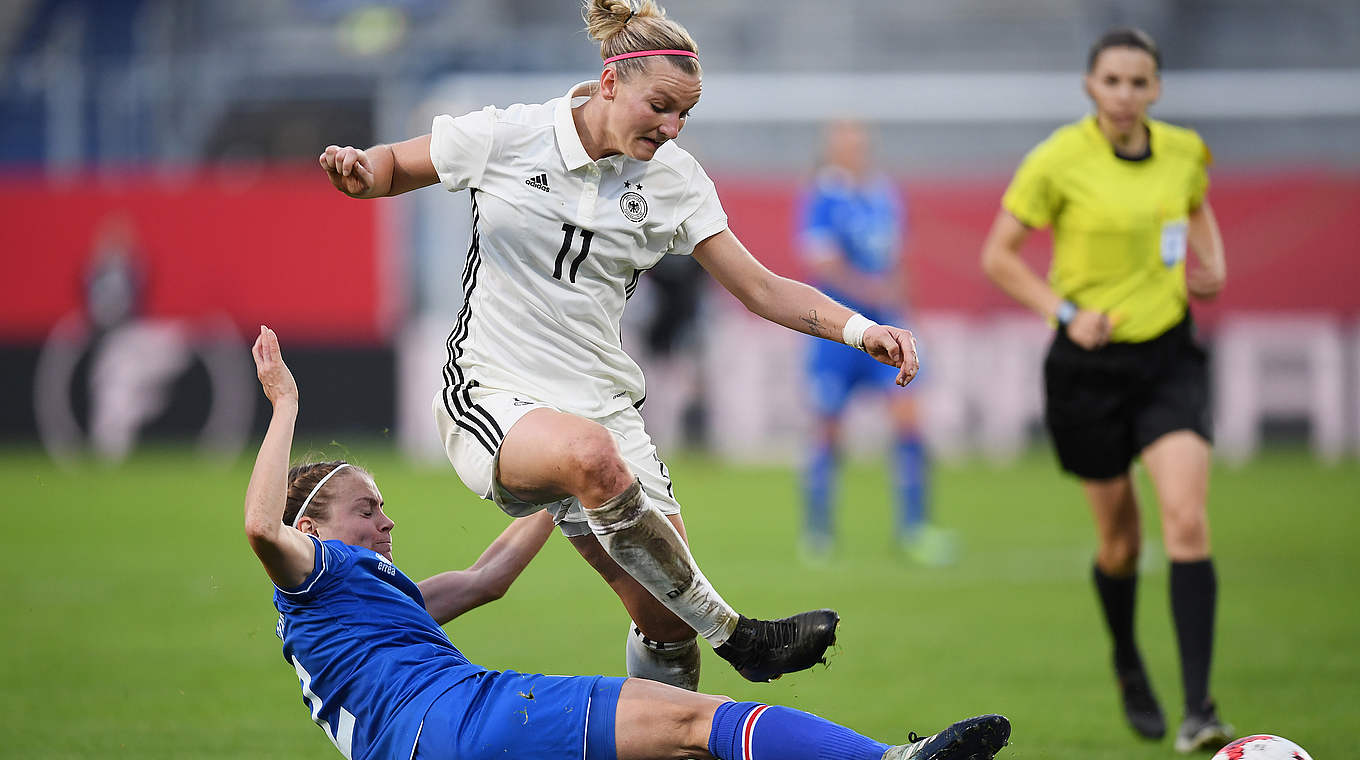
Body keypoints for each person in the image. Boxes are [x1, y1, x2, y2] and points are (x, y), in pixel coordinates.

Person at [318, 0, 921, 691]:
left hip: (602, 402)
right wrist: (361, 170)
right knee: (590, 459)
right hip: (493, 390)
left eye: (684, 115)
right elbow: (394, 165)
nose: (671, 128)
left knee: (666, 625)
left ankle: (668, 729)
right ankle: (740, 637)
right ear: (610, 83)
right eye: (660, 106)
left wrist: (860, 329)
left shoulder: (676, 180)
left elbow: (758, 287)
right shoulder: (510, 134)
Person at [244, 325, 1012, 760]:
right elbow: (259, 527)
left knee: (679, 740)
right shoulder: (315, 571)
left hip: (417, 747)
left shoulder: (358, 607)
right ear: (311, 529)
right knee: (693, 722)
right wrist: (285, 405)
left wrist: (573, 476)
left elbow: (486, 579)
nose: (385, 523)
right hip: (465, 722)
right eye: (366, 510)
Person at [979, 27, 1232, 754]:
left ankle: (1200, 710)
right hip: (1087, 369)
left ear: (1156, 90)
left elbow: (1196, 205)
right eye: (1112, 81)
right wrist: (1064, 312)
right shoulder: (1058, 159)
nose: (1125, 95)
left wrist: (1211, 260)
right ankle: (1127, 659)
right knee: (1121, 544)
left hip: (1168, 357)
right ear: (1091, 87)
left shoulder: (1185, 150)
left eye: (1139, 82)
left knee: (1186, 519)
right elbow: (998, 257)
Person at [796, 120, 953, 565]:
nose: (855, 150)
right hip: (838, 334)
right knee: (827, 429)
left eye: (860, 143)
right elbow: (823, 264)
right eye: (846, 143)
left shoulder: (884, 194)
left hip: (886, 329)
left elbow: (898, 258)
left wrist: (902, 308)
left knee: (909, 421)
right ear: (831, 149)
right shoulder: (823, 196)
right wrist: (871, 294)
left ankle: (914, 529)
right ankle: (819, 532)